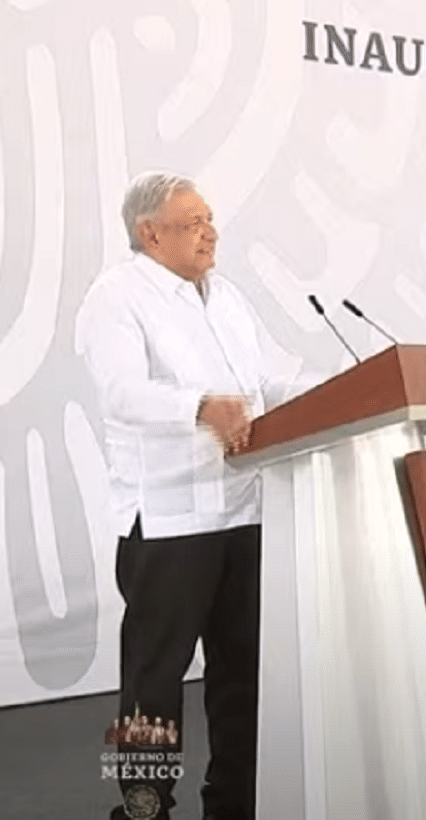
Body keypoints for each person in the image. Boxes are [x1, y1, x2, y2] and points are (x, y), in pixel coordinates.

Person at [78, 171, 299, 820]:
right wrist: (201, 406)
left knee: (242, 674)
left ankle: (234, 804)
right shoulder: (115, 297)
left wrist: (345, 385)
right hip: (169, 522)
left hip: (244, 510)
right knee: (154, 682)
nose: (212, 231)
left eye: (210, 219)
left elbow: (263, 381)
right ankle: (144, 811)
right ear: (150, 233)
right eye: (195, 221)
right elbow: (121, 392)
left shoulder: (225, 295)